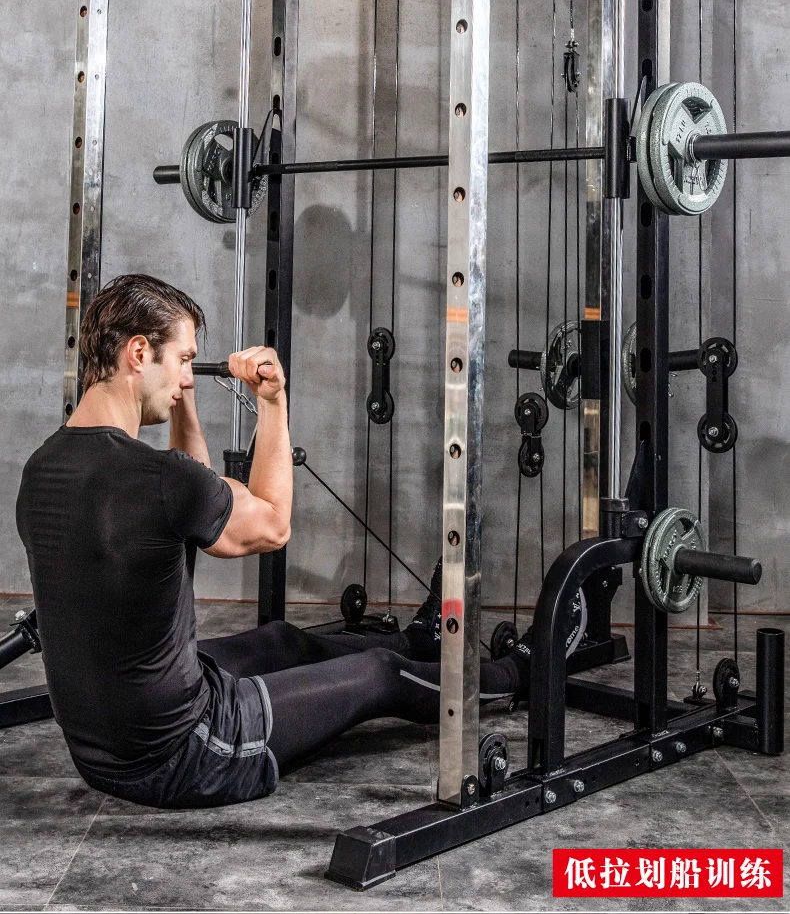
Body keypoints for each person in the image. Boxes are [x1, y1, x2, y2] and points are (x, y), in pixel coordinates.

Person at [16, 274, 529, 809]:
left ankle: (422, 642)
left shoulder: (42, 469)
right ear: (139, 352)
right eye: (185, 360)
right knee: (379, 674)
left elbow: (189, 498)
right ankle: (519, 673)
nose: (187, 378)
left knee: (281, 642)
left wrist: (182, 397)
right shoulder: (161, 481)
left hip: (103, 753)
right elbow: (273, 525)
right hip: (188, 753)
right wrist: (273, 401)